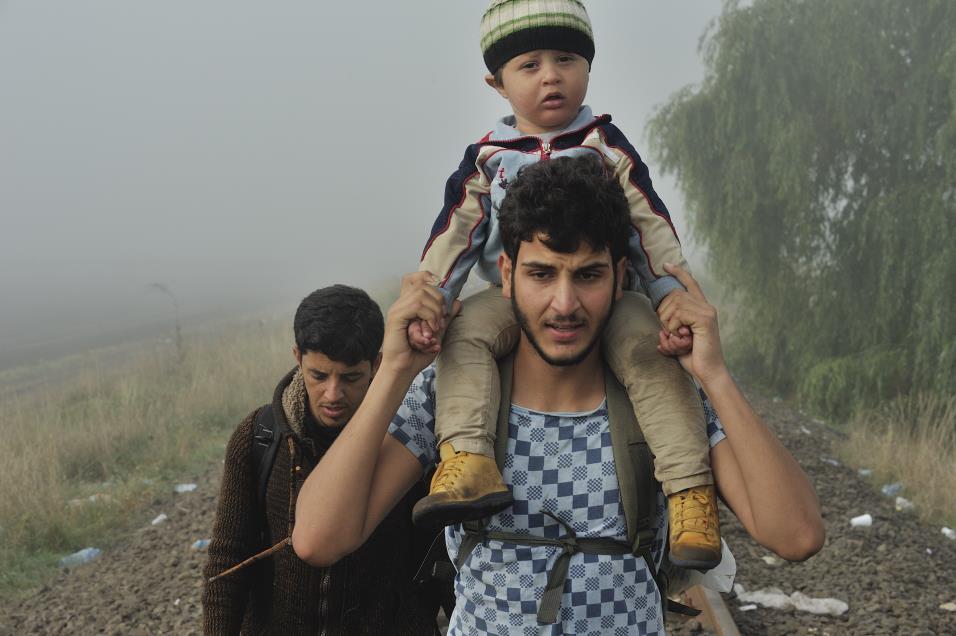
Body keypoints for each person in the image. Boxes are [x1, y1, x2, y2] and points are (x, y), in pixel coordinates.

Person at [292, 157, 825, 634]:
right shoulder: (455, 392)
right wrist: (396, 373)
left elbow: (796, 536)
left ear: (621, 278)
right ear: (507, 275)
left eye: (588, 275)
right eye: (541, 274)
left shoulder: (660, 397)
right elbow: (319, 539)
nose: (564, 304)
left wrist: (715, 375)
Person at [411, 0, 719, 569]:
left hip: (612, 299)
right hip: (513, 301)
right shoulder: (488, 160)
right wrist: (432, 296)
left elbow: (650, 225)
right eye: (529, 65)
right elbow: (456, 232)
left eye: (566, 59)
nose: (551, 75)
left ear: (588, 68)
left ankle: (689, 492)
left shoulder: (605, 146)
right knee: (465, 337)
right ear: (496, 82)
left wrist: (673, 295)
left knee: (648, 353)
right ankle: (467, 457)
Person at [201, 285, 448, 635]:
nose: (333, 394)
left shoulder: (408, 440)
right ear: (298, 357)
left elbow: (442, 553)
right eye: (319, 375)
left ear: (377, 364)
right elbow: (228, 559)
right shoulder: (259, 436)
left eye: (350, 378)